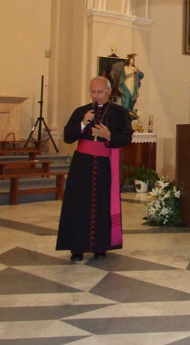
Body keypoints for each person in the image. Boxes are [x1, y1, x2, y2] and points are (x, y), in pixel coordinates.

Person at [56, 76, 133, 263]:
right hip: (82, 165)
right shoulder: (81, 111)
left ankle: (101, 247)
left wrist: (109, 135)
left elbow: (127, 138)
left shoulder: (120, 112)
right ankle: (77, 248)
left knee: (102, 205)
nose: (95, 96)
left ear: (108, 91)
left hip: (105, 166)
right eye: (92, 92)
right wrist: (83, 124)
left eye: (99, 92)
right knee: (78, 204)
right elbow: (67, 137)